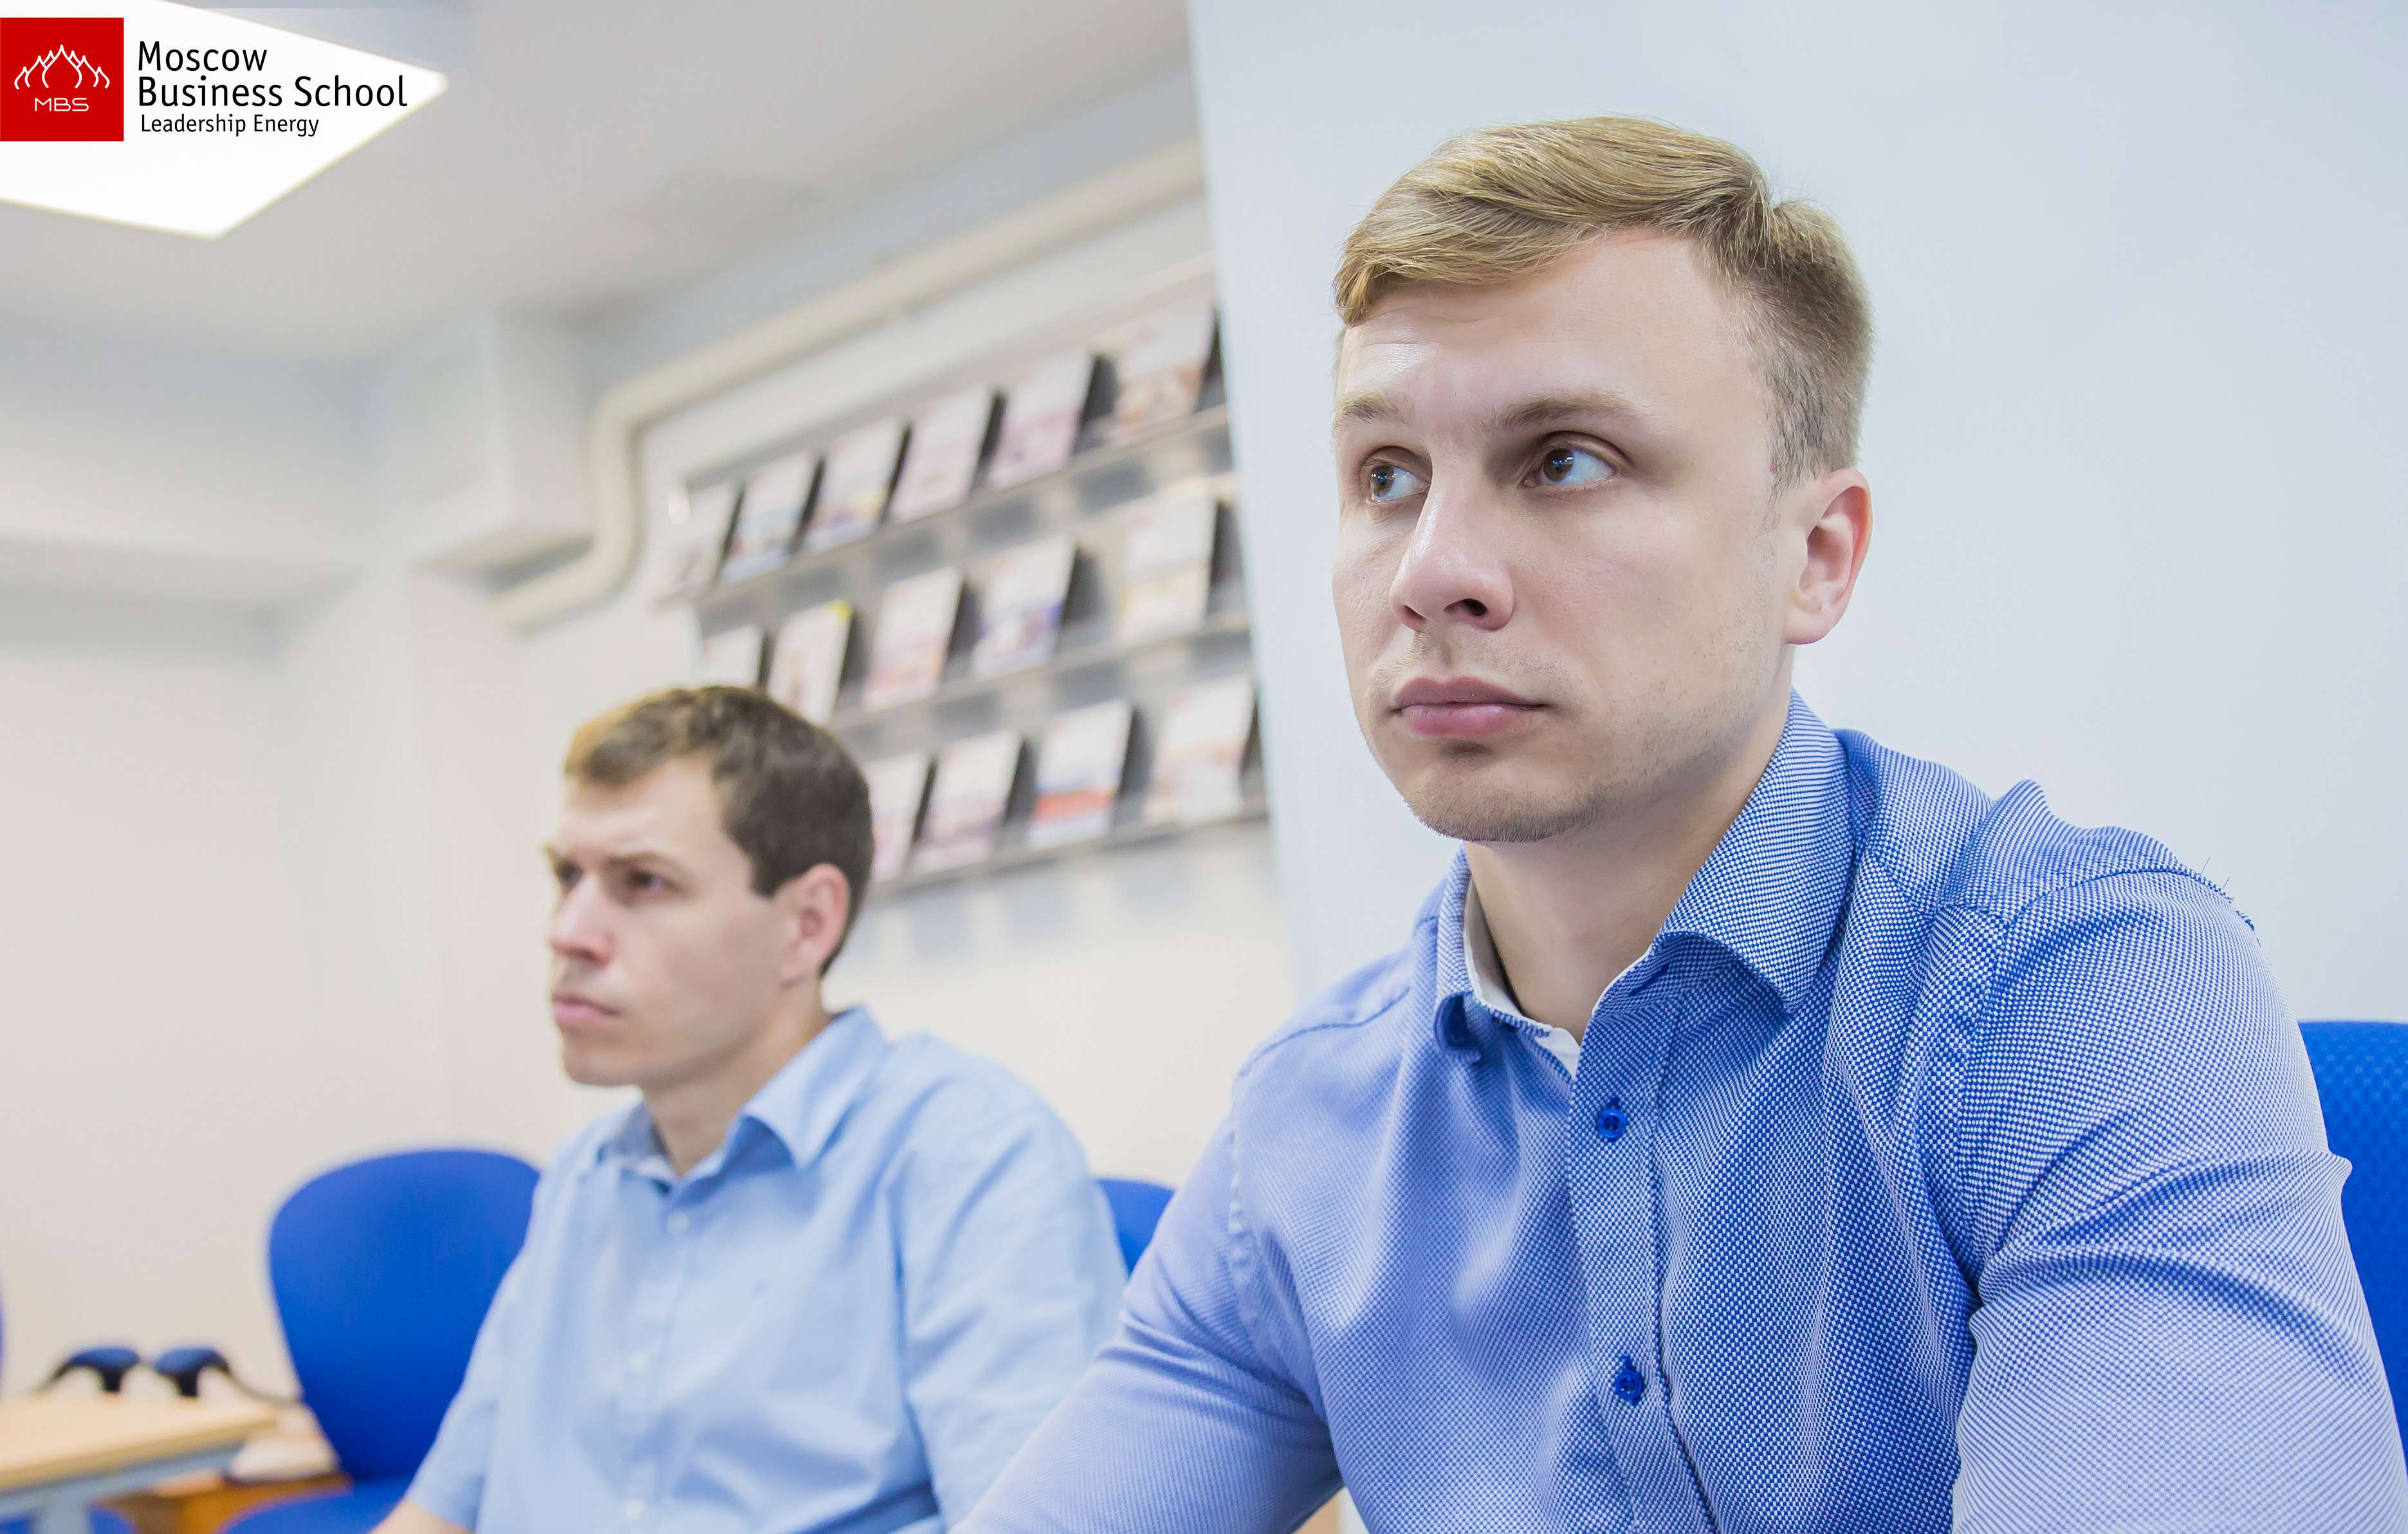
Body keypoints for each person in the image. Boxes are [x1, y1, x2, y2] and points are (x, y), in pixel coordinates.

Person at [962, 117, 2408, 1532]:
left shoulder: (2083, 988)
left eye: (1565, 460)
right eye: (1385, 474)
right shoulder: (1305, 1132)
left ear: (1815, 555)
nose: (1431, 570)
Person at [377, 687, 1126, 1534]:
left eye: (643, 881)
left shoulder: (969, 1155)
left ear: (806, 925)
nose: (569, 932)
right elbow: (439, 1511)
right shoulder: (586, 1175)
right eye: (567, 877)